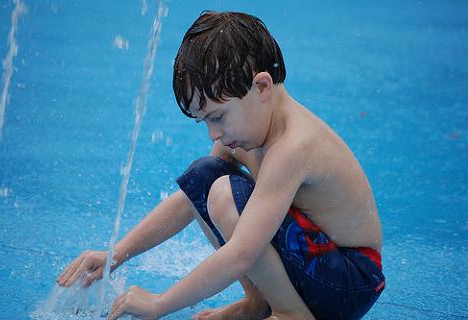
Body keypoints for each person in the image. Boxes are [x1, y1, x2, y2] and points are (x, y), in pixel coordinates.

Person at [57, 11, 385, 320]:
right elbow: (190, 200)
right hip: (316, 264)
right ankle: (260, 301)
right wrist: (116, 254)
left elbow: (242, 252)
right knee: (204, 177)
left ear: (261, 87)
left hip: (347, 282)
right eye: (204, 122)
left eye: (217, 117)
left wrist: (159, 304)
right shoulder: (246, 130)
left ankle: (291, 313)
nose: (214, 133)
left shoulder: (293, 147)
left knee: (226, 196)